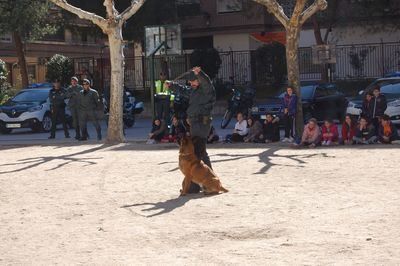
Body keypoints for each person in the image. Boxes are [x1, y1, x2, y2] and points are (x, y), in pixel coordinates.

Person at [186, 66, 216, 193]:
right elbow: (184, 91)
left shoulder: (206, 90)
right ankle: (204, 183)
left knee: (199, 153)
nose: (191, 83)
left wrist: (201, 74)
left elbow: (207, 83)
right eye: (191, 81)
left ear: (199, 80)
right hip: (195, 123)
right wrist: (172, 86)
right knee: (199, 153)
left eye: (194, 81)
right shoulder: (195, 90)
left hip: (201, 123)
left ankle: (205, 183)